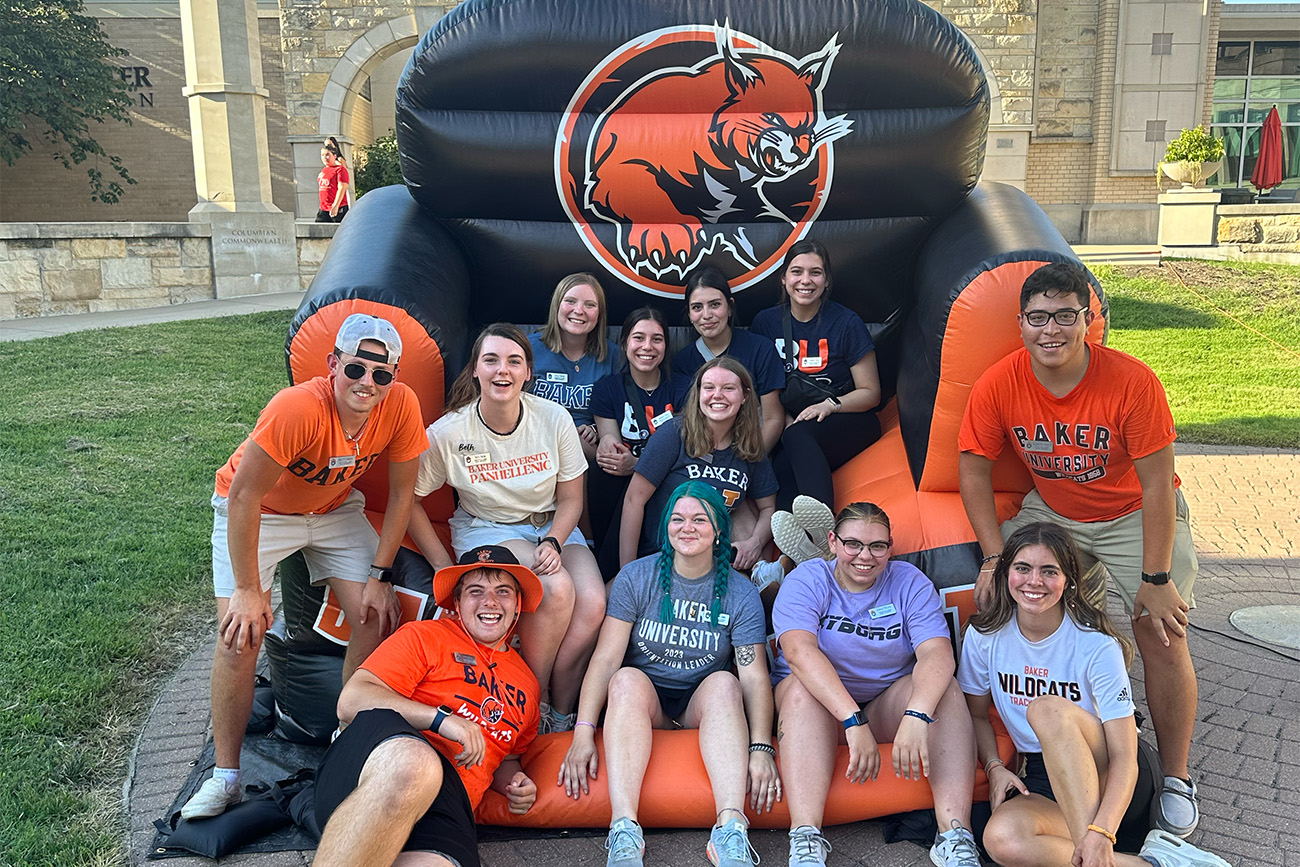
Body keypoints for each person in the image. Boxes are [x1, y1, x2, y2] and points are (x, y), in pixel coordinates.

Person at [958, 261, 1203, 837]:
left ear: (1088, 320)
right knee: (1036, 607)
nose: (1051, 330)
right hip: (1057, 511)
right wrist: (995, 558)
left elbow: (1156, 486)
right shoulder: (1001, 381)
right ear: (1020, 322)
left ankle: (1173, 776)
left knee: (1159, 628)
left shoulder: (1131, 380)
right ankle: (1082, 730)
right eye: (1038, 317)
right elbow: (972, 472)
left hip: (1133, 512)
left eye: (1065, 316)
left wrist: (1157, 575)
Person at [182, 313, 426, 819]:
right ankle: (225, 776)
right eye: (356, 368)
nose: (367, 383)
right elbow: (245, 496)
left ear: (395, 377)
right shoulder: (297, 407)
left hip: (333, 508)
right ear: (333, 363)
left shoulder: (401, 404)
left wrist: (381, 577)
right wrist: (250, 590)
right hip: (261, 512)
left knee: (375, 614)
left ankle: (347, 735)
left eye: (382, 375)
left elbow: (404, 493)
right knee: (239, 633)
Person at [959, 522, 1232, 867]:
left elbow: (1124, 758)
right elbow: (977, 715)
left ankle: (1096, 853)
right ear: (1006, 573)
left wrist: (1101, 831)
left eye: (1049, 571)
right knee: (1002, 839)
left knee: (1046, 710)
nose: (1034, 581)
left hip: (1117, 775)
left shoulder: (1096, 646)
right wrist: (995, 766)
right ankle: (1157, 862)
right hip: (1048, 779)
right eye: (1023, 568)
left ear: (1069, 579)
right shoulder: (984, 637)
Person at [560, 482, 778, 867]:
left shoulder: (740, 593)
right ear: (665, 527)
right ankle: (624, 830)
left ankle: (730, 829)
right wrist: (582, 731)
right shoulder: (637, 577)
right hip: (646, 701)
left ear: (718, 532)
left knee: (726, 683)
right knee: (624, 679)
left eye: (699, 519)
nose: (687, 527)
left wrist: (761, 748)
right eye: (677, 519)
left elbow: (754, 677)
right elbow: (606, 658)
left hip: (700, 704)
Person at [408, 323, 604, 735]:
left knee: (592, 602)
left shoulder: (553, 418)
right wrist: (445, 566)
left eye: (514, 361)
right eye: (491, 360)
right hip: (489, 528)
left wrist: (553, 539)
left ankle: (561, 710)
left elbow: (571, 499)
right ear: (476, 371)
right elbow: (407, 499)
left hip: (552, 524)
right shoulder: (450, 432)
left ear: (528, 372)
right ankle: (534, 697)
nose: (503, 370)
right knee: (555, 589)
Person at [771, 502, 979, 867]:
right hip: (814, 705)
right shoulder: (808, 578)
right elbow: (798, 653)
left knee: (944, 689)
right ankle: (805, 837)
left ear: (890, 546)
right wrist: (853, 720)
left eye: (877, 546)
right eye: (853, 544)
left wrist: (917, 715)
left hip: (883, 701)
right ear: (833, 542)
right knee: (804, 690)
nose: (864, 556)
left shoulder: (909, 581)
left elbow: (937, 654)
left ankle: (954, 836)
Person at [312, 545, 544, 867]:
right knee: (415, 763)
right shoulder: (424, 636)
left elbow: (508, 756)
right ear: (458, 604)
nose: (490, 602)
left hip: (448, 803)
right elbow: (352, 701)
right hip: (382, 767)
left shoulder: (528, 685)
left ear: (518, 604)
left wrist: (515, 783)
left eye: (503, 592)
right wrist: (442, 721)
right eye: (476, 591)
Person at [750, 239, 883, 513]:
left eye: (815, 272)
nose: (805, 280)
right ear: (783, 279)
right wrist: (783, 420)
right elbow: (761, 388)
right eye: (797, 272)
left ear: (826, 281)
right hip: (793, 427)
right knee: (783, 469)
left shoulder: (846, 323)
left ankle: (824, 526)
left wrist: (830, 405)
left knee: (797, 437)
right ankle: (789, 553)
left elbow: (871, 393)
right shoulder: (765, 322)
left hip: (849, 419)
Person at [619, 357, 777, 572]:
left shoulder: (748, 446)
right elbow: (633, 500)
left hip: (715, 559)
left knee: (743, 510)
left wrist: (754, 543)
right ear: (698, 393)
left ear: (745, 396)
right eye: (709, 387)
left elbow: (768, 507)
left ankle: (764, 575)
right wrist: (627, 570)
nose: (717, 395)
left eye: (728, 388)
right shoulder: (674, 433)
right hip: (664, 554)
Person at [589, 306, 691, 572]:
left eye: (657, 339)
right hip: (619, 482)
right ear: (624, 344)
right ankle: (605, 562)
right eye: (638, 338)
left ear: (666, 346)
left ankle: (614, 573)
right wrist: (610, 448)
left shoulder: (684, 387)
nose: (647, 346)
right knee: (605, 472)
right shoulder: (607, 389)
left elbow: (686, 451)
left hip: (668, 480)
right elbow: (610, 440)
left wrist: (637, 464)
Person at [672, 266, 785, 453]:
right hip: (702, 457)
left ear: (730, 307)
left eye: (715, 304)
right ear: (690, 314)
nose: (706, 315)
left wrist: (754, 462)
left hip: (751, 452)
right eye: (697, 307)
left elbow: (773, 419)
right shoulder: (682, 361)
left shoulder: (760, 349)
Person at [528, 273, 618, 461]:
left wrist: (594, 429)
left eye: (590, 305)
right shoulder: (528, 349)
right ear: (557, 306)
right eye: (570, 301)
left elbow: (622, 414)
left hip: (587, 452)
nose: (579, 310)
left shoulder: (614, 356)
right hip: (534, 444)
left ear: (599, 314)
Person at [316, 137, 350, 223]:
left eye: (327, 155)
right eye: (322, 155)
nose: (325, 157)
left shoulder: (340, 168)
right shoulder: (324, 170)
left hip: (338, 208)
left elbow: (342, 187)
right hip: (324, 209)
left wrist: (335, 205)